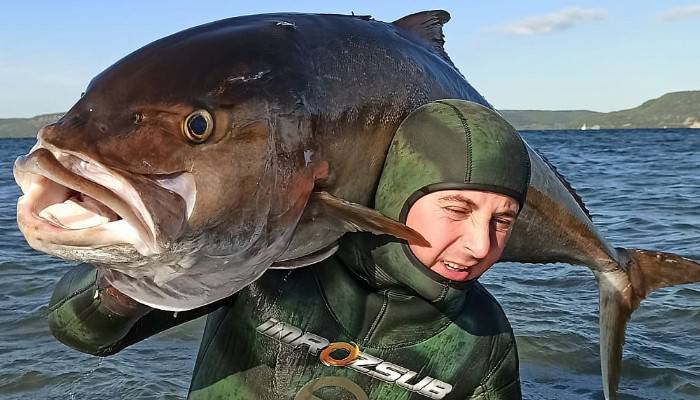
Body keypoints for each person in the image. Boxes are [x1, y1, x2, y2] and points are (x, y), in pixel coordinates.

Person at [48, 99, 530, 400]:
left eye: (502, 220)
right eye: (456, 209)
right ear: (399, 192)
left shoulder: (484, 339)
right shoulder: (276, 264)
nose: (480, 244)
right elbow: (83, 334)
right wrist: (133, 282)